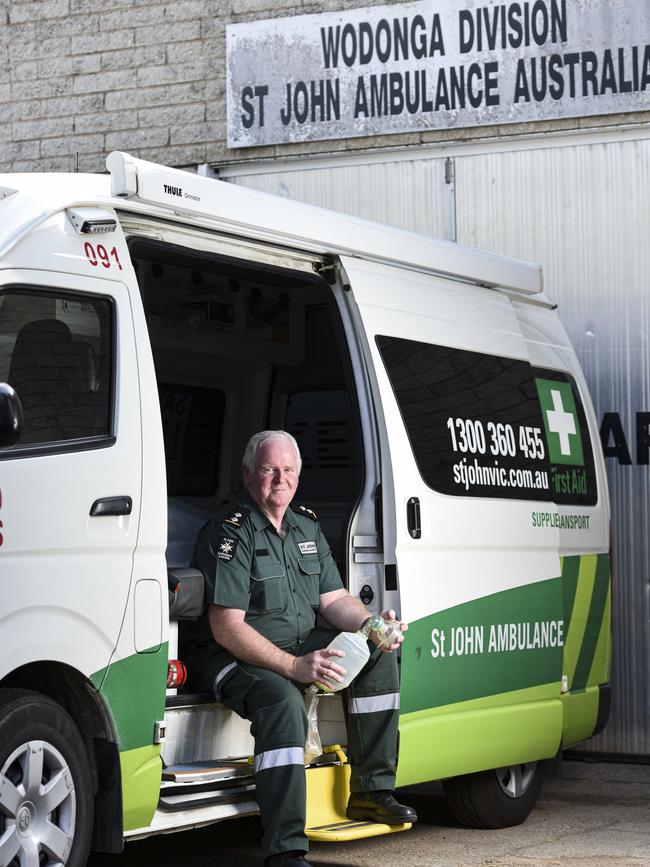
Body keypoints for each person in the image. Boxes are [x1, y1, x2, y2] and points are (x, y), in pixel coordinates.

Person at [182, 430, 417, 867]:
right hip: (231, 654)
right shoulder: (230, 532)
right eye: (270, 469)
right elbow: (226, 627)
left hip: (295, 643)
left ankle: (371, 791)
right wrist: (294, 666)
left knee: (377, 658)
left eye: (288, 470)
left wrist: (370, 624)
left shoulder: (305, 524)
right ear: (249, 474)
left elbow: (333, 600)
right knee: (283, 701)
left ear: (299, 475)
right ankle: (285, 847)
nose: (280, 479)